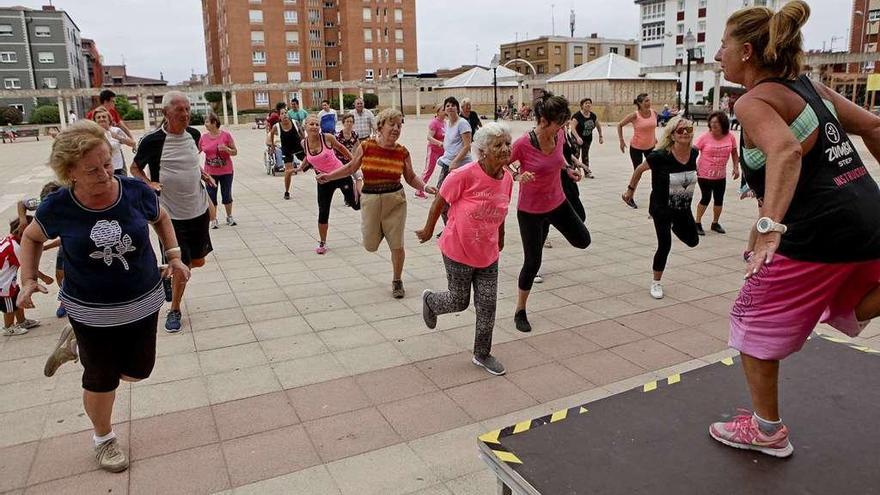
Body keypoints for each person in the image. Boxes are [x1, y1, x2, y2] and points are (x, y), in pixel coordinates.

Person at [707, 0, 880, 458]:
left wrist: (768, 229)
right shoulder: (811, 88)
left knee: (750, 320)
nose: (715, 55)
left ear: (746, 52)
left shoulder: (753, 100)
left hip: (818, 231)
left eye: (722, 45)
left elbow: (785, 152)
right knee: (845, 305)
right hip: (867, 213)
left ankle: (766, 431)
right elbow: (874, 127)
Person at [16, 120, 190, 473]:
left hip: (142, 300)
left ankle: (76, 345)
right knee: (102, 377)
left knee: (139, 371)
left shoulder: (134, 191)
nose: (105, 173)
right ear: (70, 173)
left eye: (107, 163)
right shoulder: (59, 206)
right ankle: (103, 438)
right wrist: (29, 278)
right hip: (89, 309)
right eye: (93, 169)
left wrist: (173, 255)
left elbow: (162, 216)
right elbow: (31, 237)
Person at [416, 123, 514, 375]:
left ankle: (482, 354)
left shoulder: (508, 179)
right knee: (459, 301)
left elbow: (501, 211)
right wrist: (428, 231)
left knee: (488, 305)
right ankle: (431, 301)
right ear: (482, 151)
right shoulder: (463, 175)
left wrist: (500, 237)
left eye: (507, 143)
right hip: (458, 248)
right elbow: (439, 202)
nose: (505, 149)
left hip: (488, 252)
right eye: (498, 145)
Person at [317, 109, 436, 298]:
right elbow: (350, 167)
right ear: (381, 126)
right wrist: (330, 176)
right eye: (392, 124)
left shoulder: (402, 152)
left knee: (397, 244)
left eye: (399, 125)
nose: (396, 128)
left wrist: (425, 186)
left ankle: (397, 280)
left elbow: (411, 176)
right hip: (371, 200)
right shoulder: (366, 146)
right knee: (370, 245)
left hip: (395, 201)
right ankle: (380, 230)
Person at [507, 93, 591, 332]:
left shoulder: (560, 135)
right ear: (543, 120)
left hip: (557, 202)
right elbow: (500, 162)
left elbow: (560, 159)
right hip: (530, 211)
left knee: (583, 240)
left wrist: (568, 170)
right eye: (559, 123)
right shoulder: (523, 143)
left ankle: (547, 225)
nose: (562, 127)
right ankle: (520, 310)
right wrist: (516, 175)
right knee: (532, 262)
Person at [130, 91, 213, 333]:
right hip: (170, 215)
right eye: (180, 110)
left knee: (198, 261)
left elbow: (190, 161)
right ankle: (175, 309)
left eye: (188, 109)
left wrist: (201, 173)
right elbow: (135, 168)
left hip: (197, 209)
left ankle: (167, 274)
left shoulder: (194, 135)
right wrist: (149, 183)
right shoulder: (152, 141)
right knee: (182, 265)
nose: (186, 114)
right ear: (166, 113)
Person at [622, 116, 700, 300]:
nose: (685, 134)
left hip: (682, 205)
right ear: (672, 135)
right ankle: (656, 282)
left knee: (693, 241)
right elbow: (639, 170)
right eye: (680, 131)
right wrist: (630, 191)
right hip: (661, 207)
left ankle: (673, 225)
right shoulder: (660, 156)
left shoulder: (694, 153)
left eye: (688, 130)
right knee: (665, 244)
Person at [301, 115, 359, 254]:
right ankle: (322, 242)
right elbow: (309, 158)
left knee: (355, 205)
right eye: (311, 124)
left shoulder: (327, 138)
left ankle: (362, 188)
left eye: (317, 124)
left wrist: (354, 164)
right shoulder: (304, 143)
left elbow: (342, 148)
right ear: (305, 127)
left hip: (340, 175)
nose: (314, 126)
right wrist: (299, 168)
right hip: (324, 180)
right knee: (323, 211)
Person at [17, 182, 65, 317]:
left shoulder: (72, 203)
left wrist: (46, 247)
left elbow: (64, 240)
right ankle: (65, 299)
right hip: (64, 241)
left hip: (72, 240)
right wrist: (22, 220)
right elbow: (21, 203)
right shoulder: (44, 202)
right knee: (59, 273)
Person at [693, 111, 740, 235]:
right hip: (704, 174)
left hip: (720, 175)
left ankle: (715, 223)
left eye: (716, 122)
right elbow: (694, 151)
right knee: (706, 197)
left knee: (719, 199)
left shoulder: (730, 136)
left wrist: (736, 167)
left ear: (723, 124)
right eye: (711, 122)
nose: (713, 124)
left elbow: (734, 152)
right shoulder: (704, 137)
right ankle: (697, 223)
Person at [0, 218, 44, 335]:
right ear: (21, 233)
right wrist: (44, 277)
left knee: (18, 298)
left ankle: (22, 321)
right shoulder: (16, 248)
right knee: (9, 306)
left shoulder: (10, 240)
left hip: (8, 280)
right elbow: (27, 266)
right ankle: (8, 327)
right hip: (4, 284)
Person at [436, 97, 473, 224]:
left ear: (458, 108)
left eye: (453, 105)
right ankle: (451, 225)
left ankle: (454, 225)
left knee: (445, 197)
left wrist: (455, 161)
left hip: (460, 165)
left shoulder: (462, 123)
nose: (450, 107)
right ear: (445, 109)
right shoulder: (447, 123)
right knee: (441, 197)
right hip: (448, 163)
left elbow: (467, 146)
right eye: (447, 105)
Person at [200, 112, 238, 229]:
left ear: (214, 122)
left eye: (207, 122)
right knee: (211, 196)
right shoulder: (203, 138)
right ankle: (213, 219)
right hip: (210, 172)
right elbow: (196, 151)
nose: (205, 124)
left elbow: (235, 152)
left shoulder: (226, 136)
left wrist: (226, 149)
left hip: (226, 171)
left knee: (226, 194)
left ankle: (229, 216)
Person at [268, 112, 306, 200]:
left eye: (286, 113)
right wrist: (273, 146)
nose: (284, 115)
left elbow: (302, 133)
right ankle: (287, 191)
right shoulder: (276, 126)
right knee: (288, 171)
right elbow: (271, 134)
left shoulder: (295, 122)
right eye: (282, 113)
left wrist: (305, 142)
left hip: (298, 149)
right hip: (287, 150)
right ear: (280, 117)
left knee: (311, 164)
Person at [618, 93, 658, 174]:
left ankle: (657, 186)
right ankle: (632, 186)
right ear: (640, 103)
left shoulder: (654, 113)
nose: (648, 103)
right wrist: (621, 141)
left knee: (656, 168)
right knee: (637, 171)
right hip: (636, 148)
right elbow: (619, 125)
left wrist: (654, 138)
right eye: (646, 101)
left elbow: (651, 127)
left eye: (649, 100)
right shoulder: (635, 115)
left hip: (651, 146)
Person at [90, 107, 136, 176]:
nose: (101, 119)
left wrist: (118, 137)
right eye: (98, 117)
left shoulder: (116, 130)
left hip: (117, 168)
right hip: (100, 168)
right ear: (95, 120)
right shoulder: (92, 133)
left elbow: (132, 143)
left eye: (104, 117)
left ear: (109, 119)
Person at [416, 105, 445, 199]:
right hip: (433, 150)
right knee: (429, 170)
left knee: (448, 167)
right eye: (443, 110)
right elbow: (429, 137)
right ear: (438, 112)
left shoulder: (444, 122)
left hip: (443, 150)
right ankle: (419, 190)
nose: (445, 111)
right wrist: (439, 143)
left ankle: (444, 189)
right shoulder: (434, 123)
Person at [335, 113, 363, 199]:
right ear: (343, 123)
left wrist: (358, 157)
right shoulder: (338, 136)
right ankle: (348, 198)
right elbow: (333, 149)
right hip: (340, 162)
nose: (349, 123)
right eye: (347, 121)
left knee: (359, 177)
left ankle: (361, 195)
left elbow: (358, 146)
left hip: (351, 161)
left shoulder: (354, 134)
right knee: (347, 180)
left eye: (351, 121)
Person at [572, 98, 603, 174]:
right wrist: (577, 137)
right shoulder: (577, 115)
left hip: (587, 139)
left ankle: (587, 172)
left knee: (585, 155)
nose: (588, 104)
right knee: (576, 154)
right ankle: (572, 171)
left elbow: (598, 125)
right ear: (582, 105)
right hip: (577, 138)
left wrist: (600, 136)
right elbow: (572, 128)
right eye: (586, 103)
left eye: (589, 103)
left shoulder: (593, 116)